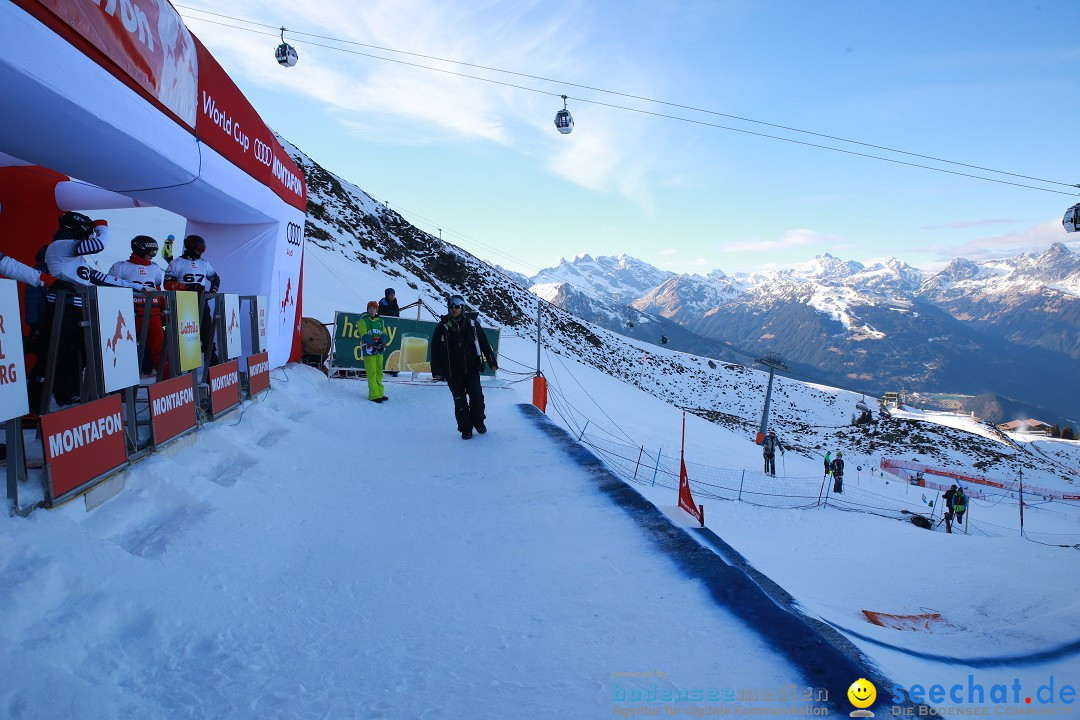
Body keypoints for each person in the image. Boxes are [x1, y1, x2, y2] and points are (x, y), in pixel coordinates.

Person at [32, 212, 142, 408]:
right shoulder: (60, 246)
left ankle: (71, 394)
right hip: (60, 308)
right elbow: (99, 245)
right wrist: (102, 227)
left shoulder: (73, 257)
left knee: (79, 354)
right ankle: (45, 402)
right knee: (57, 355)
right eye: (88, 232)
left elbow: (97, 276)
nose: (90, 235)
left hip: (77, 308)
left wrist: (134, 286)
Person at [430, 294, 498, 440]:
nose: (454, 309)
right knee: (460, 401)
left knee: (477, 399)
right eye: (451, 306)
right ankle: (466, 429)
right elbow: (435, 350)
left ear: (462, 308)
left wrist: (491, 361)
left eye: (457, 306)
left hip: (471, 369)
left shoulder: (472, 325)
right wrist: (437, 371)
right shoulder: (442, 327)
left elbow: (485, 343)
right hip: (453, 372)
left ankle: (479, 422)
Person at [110, 236, 166, 377]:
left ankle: (167, 381)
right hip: (129, 313)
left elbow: (157, 288)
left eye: (155, 252)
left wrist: (162, 307)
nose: (152, 256)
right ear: (140, 249)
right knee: (124, 348)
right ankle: (121, 384)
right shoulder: (121, 266)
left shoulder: (155, 268)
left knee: (159, 348)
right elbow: (110, 288)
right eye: (151, 252)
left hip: (152, 313)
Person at [165, 234, 221, 365]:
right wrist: (187, 287)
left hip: (201, 303)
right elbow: (167, 284)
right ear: (190, 247)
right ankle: (182, 371)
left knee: (207, 337)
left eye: (203, 249)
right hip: (183, 304)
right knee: (186, 339)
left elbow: (215, 278)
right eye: (199, 249)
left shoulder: (204, 263)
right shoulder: (177, 263)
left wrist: (212, 292)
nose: (201, 252)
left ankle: (211, 369)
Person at [357, 300, 389, 403]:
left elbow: (385, 334)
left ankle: (380, 393)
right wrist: (373, 343)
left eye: (374, 308)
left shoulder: (380, 321)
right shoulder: (362, 321)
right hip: (369, 350)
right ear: (367, 309)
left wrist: (381, 342)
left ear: (376, 310)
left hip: (379, 350)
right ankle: (373, 395)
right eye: (370, 308)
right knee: (372, 372)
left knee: (379, 372)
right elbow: (364, 335)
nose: (372, 310)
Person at [378, 288, 401, 377]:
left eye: (393, 295)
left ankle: (392, 368)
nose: (392, 296)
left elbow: (397, 314)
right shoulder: (382, 303)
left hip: (393, 327)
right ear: (387, 295)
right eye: (391, 295)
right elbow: (381, 314)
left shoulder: (395, 303)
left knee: (393, 345)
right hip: (385, 327)